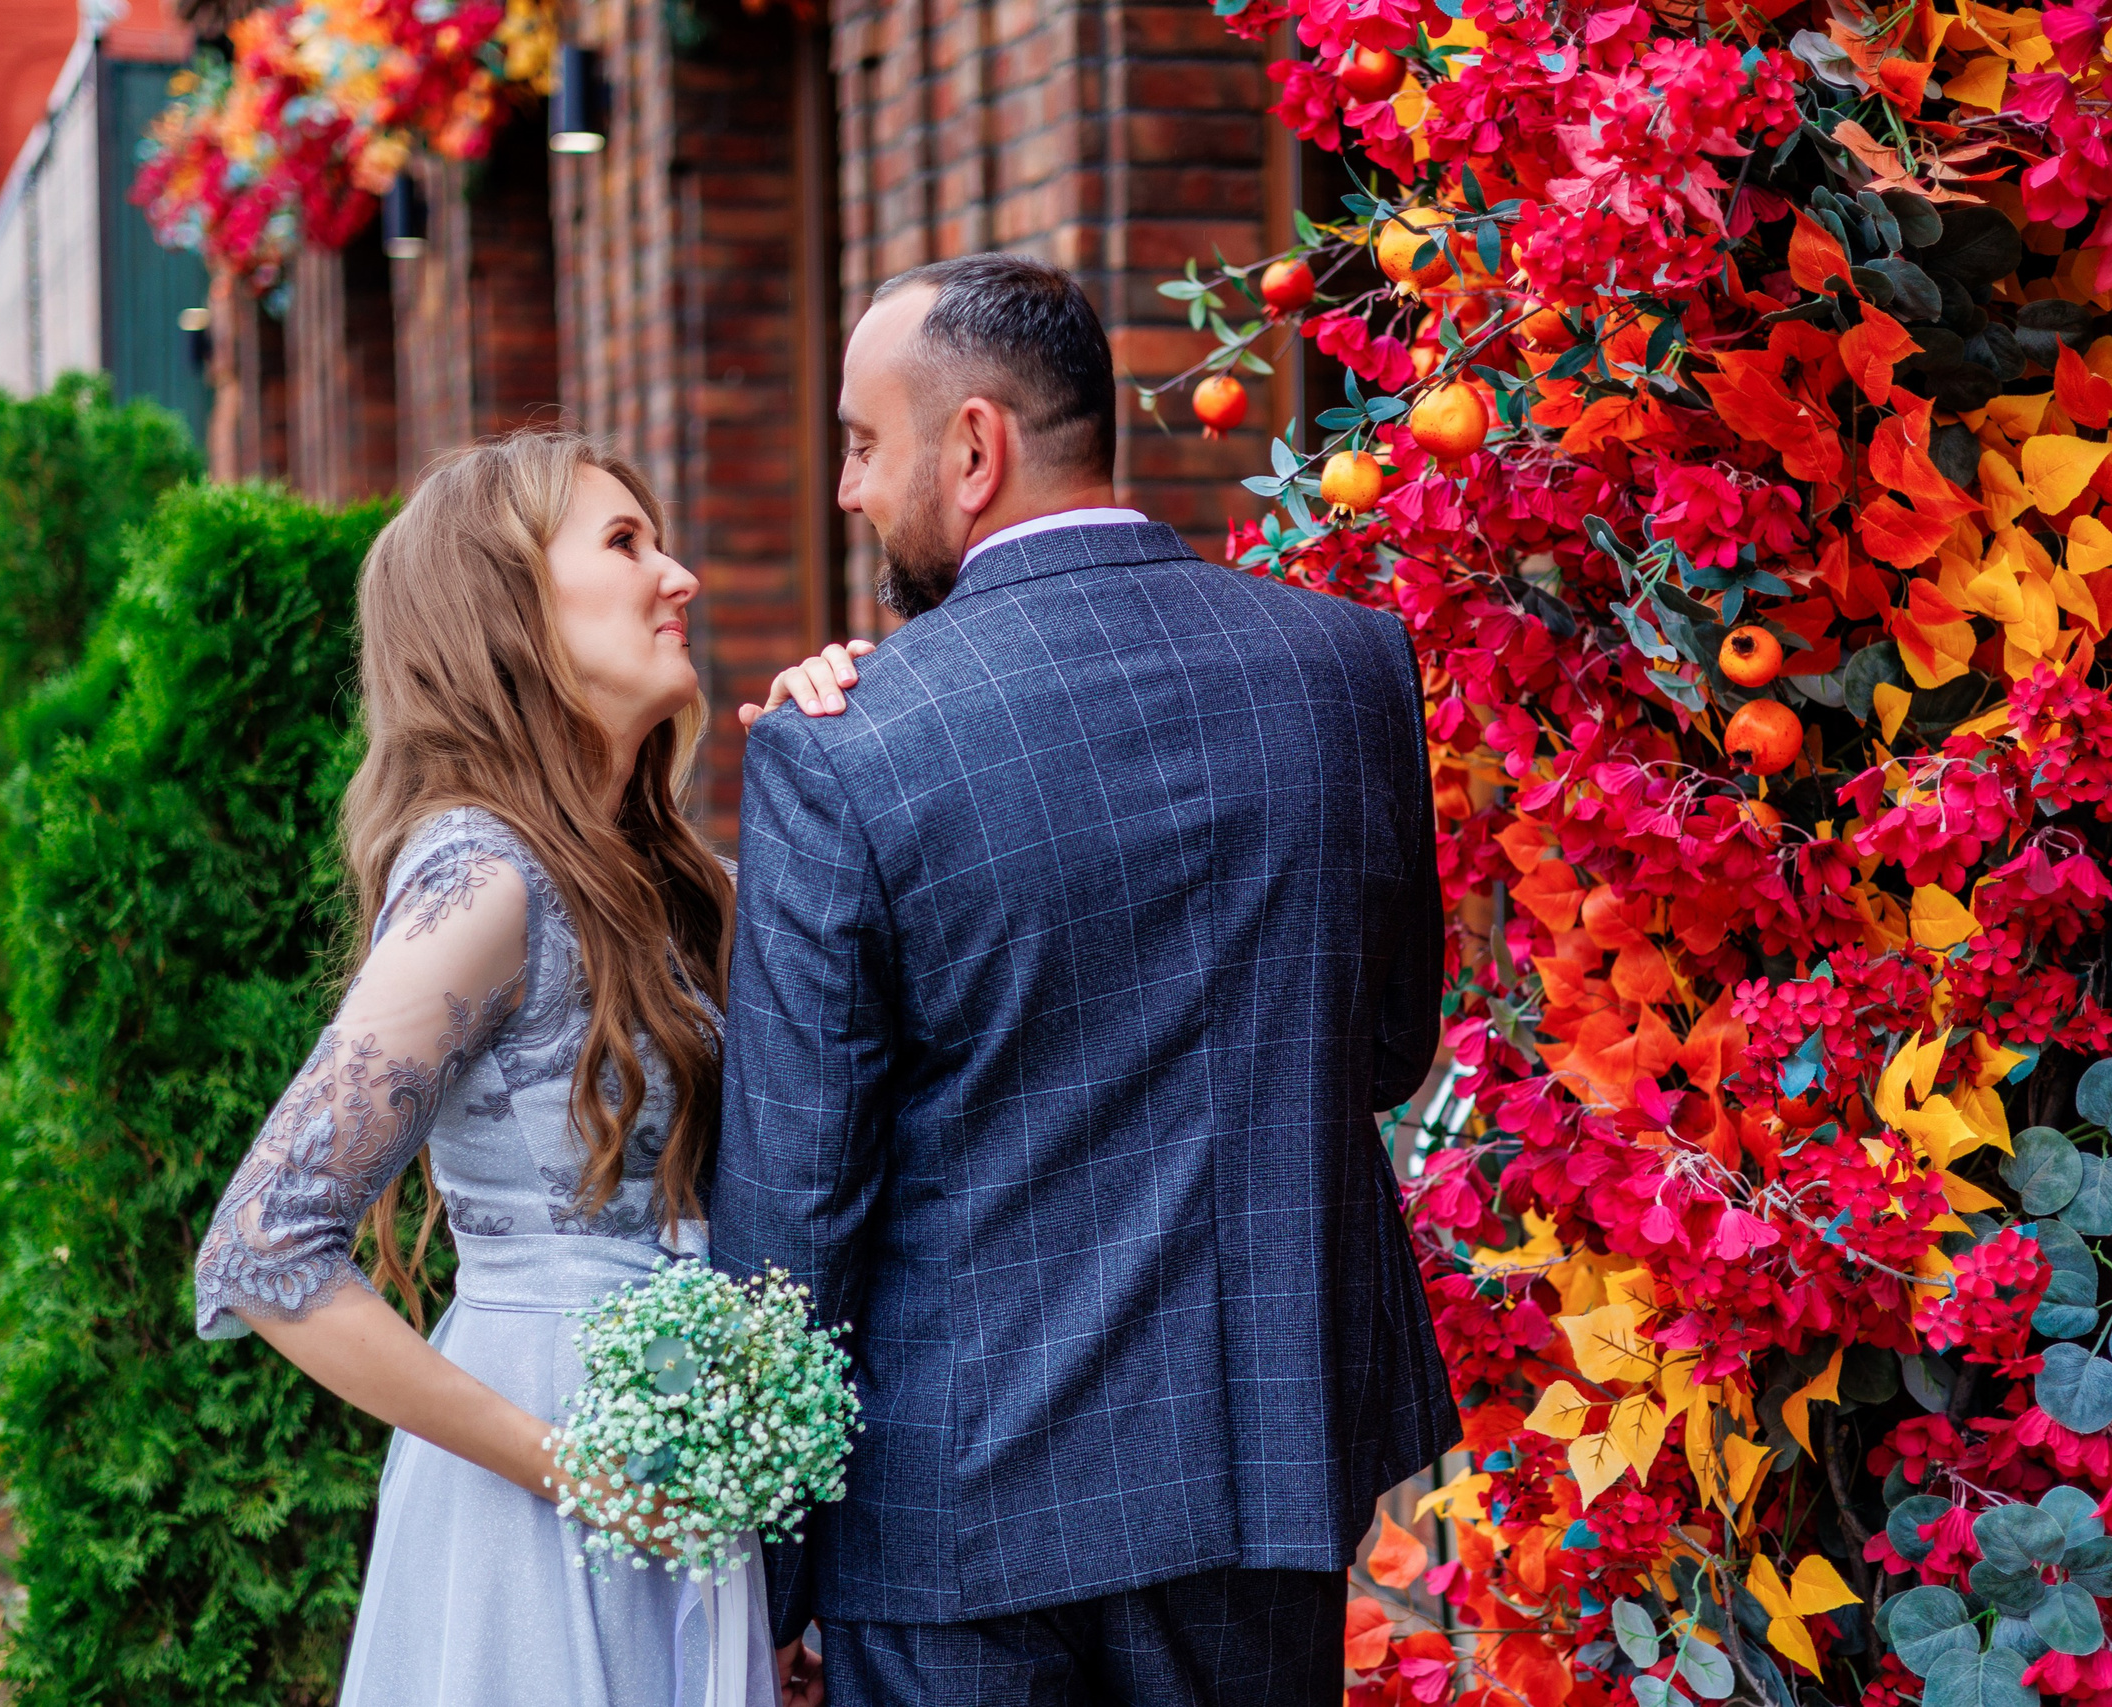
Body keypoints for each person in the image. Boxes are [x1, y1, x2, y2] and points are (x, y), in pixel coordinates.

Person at [715, 253, 1459, 1705]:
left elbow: (795, 1203)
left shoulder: (846, 747)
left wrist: (773, 1568)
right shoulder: (1350, 666)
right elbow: (1381, 1049)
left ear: (975, 447)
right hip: (1263, 1467)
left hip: (952, 1520)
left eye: (866, 445)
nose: (850, 491)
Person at [193, 430, 856, 1707]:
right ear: (504, 611)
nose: (680, 578)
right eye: (623, 544)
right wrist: (579, 1474)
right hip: (540, 1496)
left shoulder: (680, 880)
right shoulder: (485, 880)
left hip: (685, 1478)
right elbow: (263, 1246)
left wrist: (834, 765)